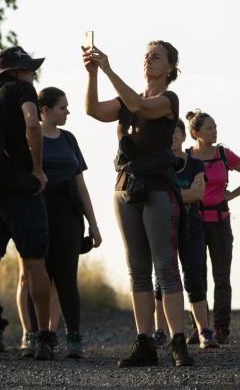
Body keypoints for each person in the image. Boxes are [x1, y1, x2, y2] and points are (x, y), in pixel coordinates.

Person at [83, 40, 195, 367]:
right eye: (146, 56)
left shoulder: (167, 100)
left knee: (165, 266)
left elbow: (141, 106)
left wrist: (108, 68)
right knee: (138, 270)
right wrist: (92, 73)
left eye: (156, 57)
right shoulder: (128, 100)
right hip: (125, 187)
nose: (149, 60)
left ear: (170, 68)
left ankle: (177, 342)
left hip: (158, 186)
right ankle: (144, 343)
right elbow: (92, 110)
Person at [0, 47, 55, 362]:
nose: (33, 73)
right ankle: (43, 340)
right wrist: (37, 168)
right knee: (34, 261)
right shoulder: (23, 89)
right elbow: (32, 125)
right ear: (19, 70)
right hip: (20, 189)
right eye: (30, 68)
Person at [14, 88, 100, 359]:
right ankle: (34, 338)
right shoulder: (28, 137)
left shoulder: (69, 140)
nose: (68, 112)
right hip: (36, 212)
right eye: (63, 107)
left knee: (67, 279)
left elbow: (81, 185)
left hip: (68, 215)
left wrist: (94, 225)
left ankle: (73, 338)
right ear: (45, 110)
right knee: (37, 275)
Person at [186, 109, 240, 344]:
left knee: (221, 277)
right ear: (196, 133)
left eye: (215, 127)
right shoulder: (186, 157)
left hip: (220, 222)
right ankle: (200, 328)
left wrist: (230, 195)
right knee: (197, 278)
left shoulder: (223, 154)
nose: (214, 131)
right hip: (194, 223)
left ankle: (220, 328)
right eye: (209, 128)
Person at [154, 119, 217, 349]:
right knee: (162, 280)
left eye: (177, 132)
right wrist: (185, 193)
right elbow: (159, 194)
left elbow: (199, 194)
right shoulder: (159, 164)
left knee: (194, 278)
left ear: (184, 135)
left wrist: (173, 194)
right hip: (162, 226)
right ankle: (160, 332)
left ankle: (204, 332)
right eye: (169, 132)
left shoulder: (196, 163)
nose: (173, 136)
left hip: (193, 226)